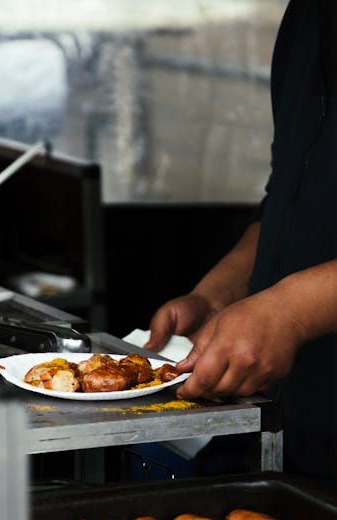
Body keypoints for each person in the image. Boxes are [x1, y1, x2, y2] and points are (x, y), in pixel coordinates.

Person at [144, 0, 337, 486]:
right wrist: (220, 295)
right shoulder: (308, 17)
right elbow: (292, 193)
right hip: (299, 430)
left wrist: (292, 311)